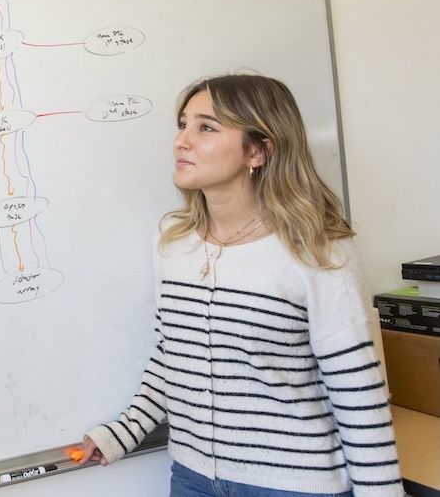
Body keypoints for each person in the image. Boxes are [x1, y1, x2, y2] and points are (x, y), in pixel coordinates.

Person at [76, 74, 403, 496]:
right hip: (192, 477)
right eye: (183, 124)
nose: (182, 141)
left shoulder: (320, 251)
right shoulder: (173, 242)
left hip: (293, 484)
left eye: (206, 127)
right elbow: (175, 353)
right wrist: (124, 431)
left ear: (258, 150)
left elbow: (359, 392)